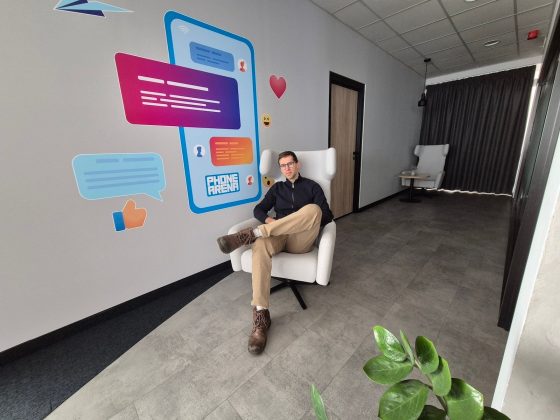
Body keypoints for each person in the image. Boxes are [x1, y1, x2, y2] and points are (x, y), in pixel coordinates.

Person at [217, 151, 333, 354]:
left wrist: (299, 220)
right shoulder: (277, 188)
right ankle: (261, 316)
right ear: (280, 168)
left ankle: (253, 233)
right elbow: (258, 209)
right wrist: (270, 221)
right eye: (283, 165)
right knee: (260, 245)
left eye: (290, 164)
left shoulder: (312, 187)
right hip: (278, 236)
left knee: (314, 210)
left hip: (300, 240)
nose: (287, 168)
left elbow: (327, 216)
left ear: (297, 165)